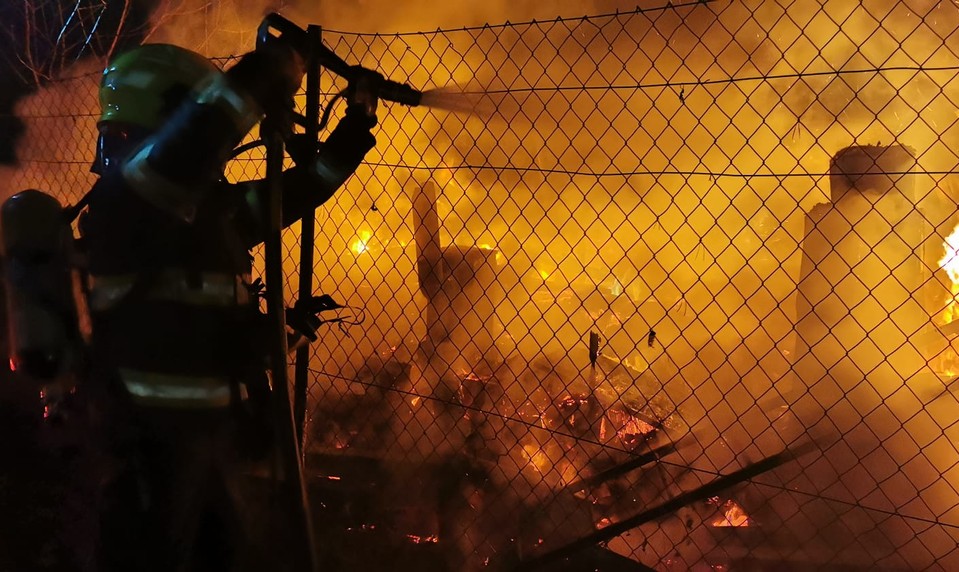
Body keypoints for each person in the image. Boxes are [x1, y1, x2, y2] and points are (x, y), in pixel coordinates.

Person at [76, 38, 378, 572]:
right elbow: (200, 137)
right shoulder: (130, 197)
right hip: (149, 452)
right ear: (173, 113)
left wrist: (357, 120)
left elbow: (310, 185)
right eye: (194, 108)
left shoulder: (208, 211)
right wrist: (271, 72)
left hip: (215, 444)